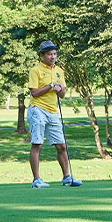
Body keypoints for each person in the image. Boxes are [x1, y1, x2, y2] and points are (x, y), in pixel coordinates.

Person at [27, 40, 81, 188]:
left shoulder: (59, 71)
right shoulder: (35, 70)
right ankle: (36, 180)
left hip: (53, 111)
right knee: (37, 144)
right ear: (42, 56)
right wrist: (50, 86)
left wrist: (59, 89)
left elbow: (62, 94)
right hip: (37, 109)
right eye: (49, 54)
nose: (52, 56)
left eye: (54, 54)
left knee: (61, 145)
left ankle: (67, 177)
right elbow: (34, 92)